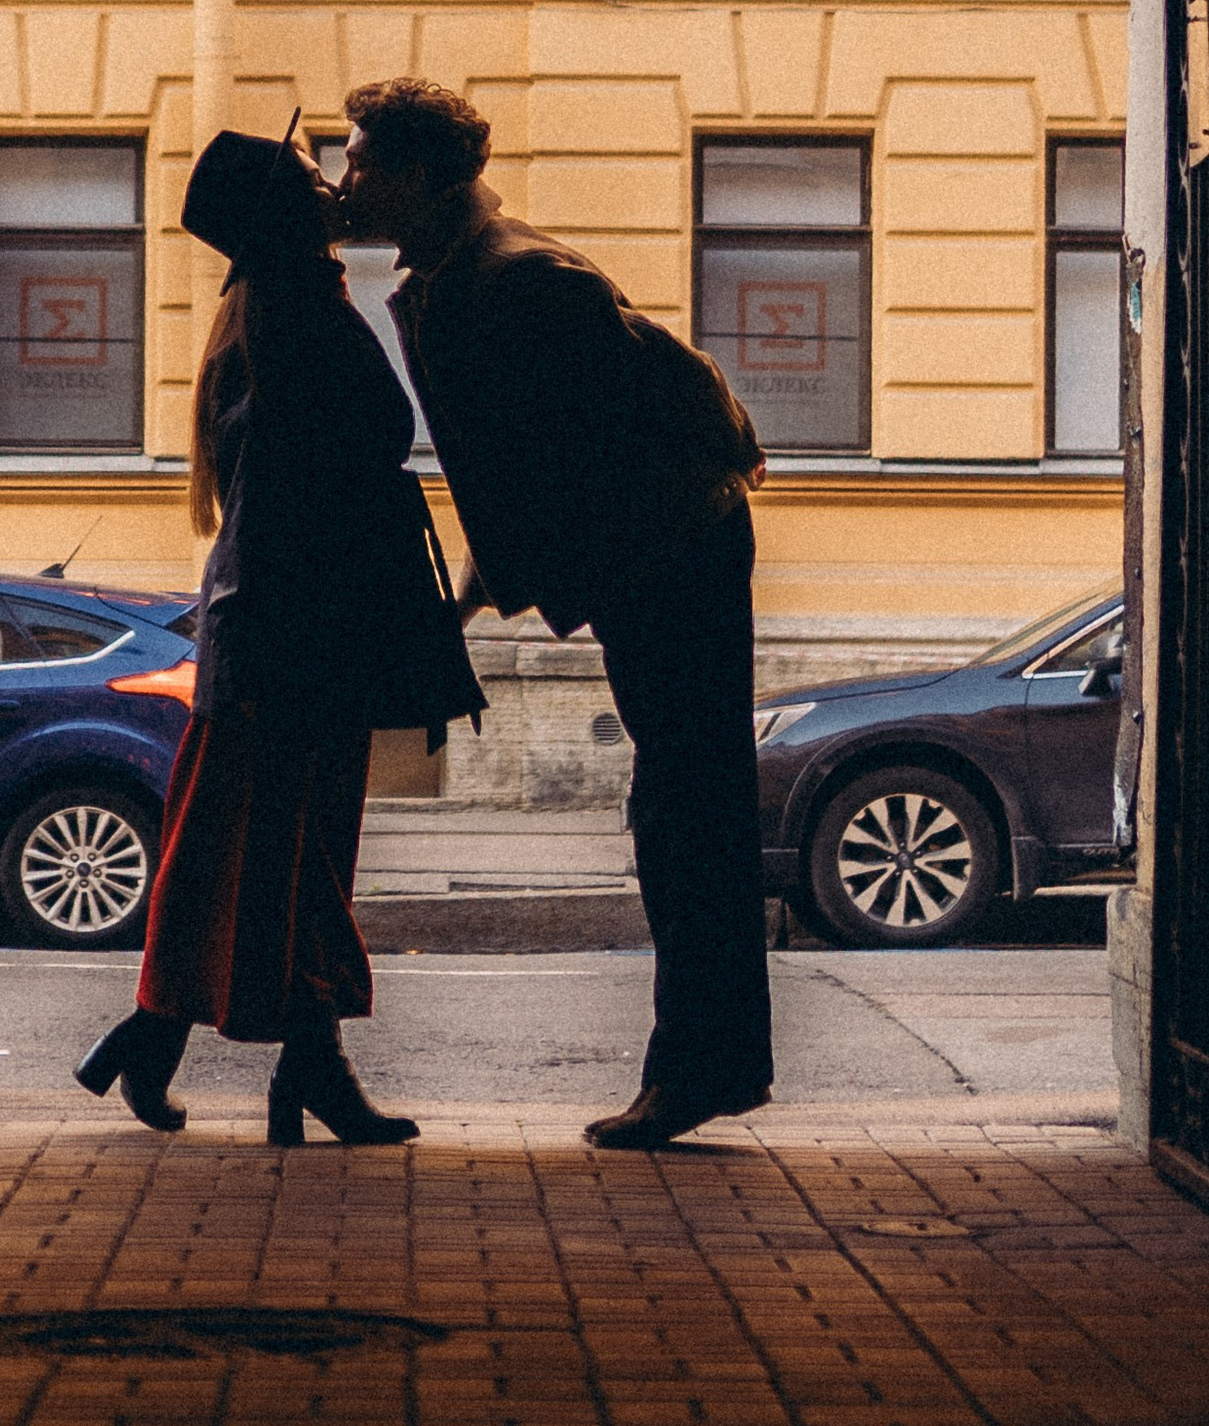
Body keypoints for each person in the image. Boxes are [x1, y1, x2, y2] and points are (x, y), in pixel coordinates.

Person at [336, 74, 772, 1150]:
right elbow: (519, 473)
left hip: (674, 558)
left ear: (417, 173)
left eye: (358, 160)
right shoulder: (458, 272)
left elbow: (663, 394)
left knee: (688, 818)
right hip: (650, 562)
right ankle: (703, 1068)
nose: (345, 180)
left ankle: (701, 1070)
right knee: (677, 811)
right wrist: (476, 597)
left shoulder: (522, 277)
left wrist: (493, 590)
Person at [75, 121, 484, 1143]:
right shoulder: (296, 307)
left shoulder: (278, 302)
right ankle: (265, 1058)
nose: (331, 185)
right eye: (313, 175)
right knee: (285, 856)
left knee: (271, 856)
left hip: (284, 631)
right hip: (291, 635)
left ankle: (196, 1043)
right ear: (278, 210)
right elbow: (309, 490)